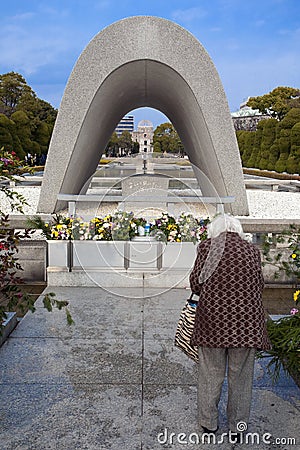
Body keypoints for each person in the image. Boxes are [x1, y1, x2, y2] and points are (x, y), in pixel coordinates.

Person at [189, 214, 271, 436]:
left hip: (212, 324)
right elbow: (259, 284)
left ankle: (209, 423)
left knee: (211, 373)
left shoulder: (207, 248)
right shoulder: (252, 251)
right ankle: (238, 426)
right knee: (241, 377)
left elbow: (196, 283)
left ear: (215, 231)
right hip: (246, 325)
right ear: (238, 229)